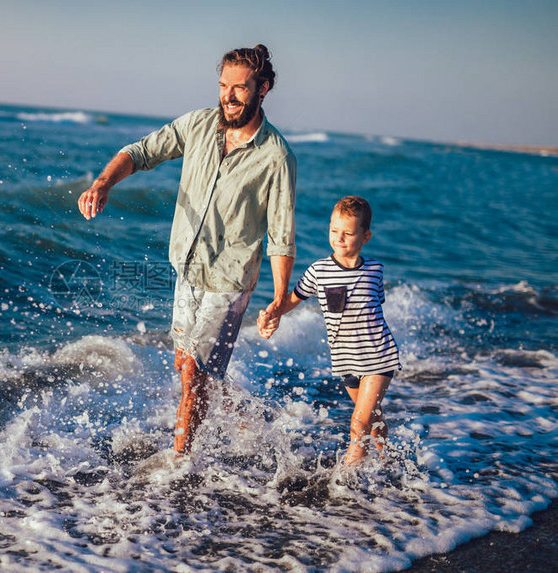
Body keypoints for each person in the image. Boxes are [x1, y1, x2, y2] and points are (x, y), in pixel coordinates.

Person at [78, 44, 296, 454]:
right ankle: (249, 422)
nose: (228, 96)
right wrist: (103, 183)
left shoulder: (276, 156)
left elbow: (280, 234)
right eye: (223, 86)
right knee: (187, 367)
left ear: (263, 88)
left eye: (240, 88)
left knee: (193, 373)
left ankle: (179, 462)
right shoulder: (197, 125)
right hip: (186, 267)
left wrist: (281, 299)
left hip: (229, 281)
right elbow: (140, 152)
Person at [258, 196, 401, 465]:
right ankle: (386, 460)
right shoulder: (318, 271)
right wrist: (271, 313)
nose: (339, 238)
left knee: (359, 423)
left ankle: (348, 483)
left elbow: (375, 308)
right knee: (373, 417)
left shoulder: (374, 270)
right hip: (345, 360)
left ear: (365, 236)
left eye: (347, 233)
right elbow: (291, 300)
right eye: (334, 231)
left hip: (378, 356)